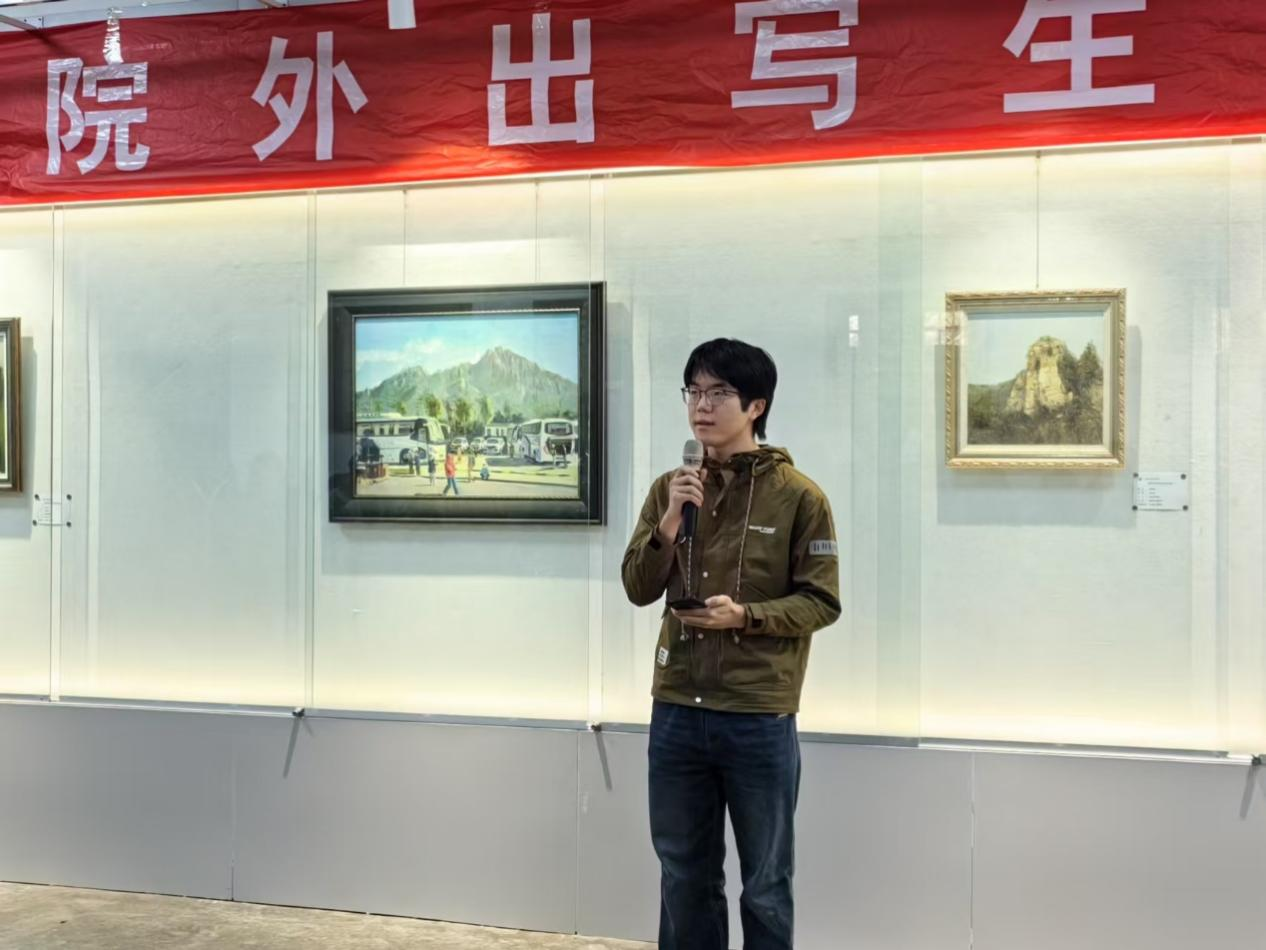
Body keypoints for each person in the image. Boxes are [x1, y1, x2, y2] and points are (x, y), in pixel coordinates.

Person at [621, 338, 840, 950]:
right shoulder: (671, 488)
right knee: (683, 874)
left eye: (719, 393)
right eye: (693, 391)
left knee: (765, 883)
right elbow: (638, 587)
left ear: (756, 406)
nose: (702, 405)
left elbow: (821, 602)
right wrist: (669, 522)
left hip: (757, 713)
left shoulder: (800, 497)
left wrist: (745, 616)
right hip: (677, 708)